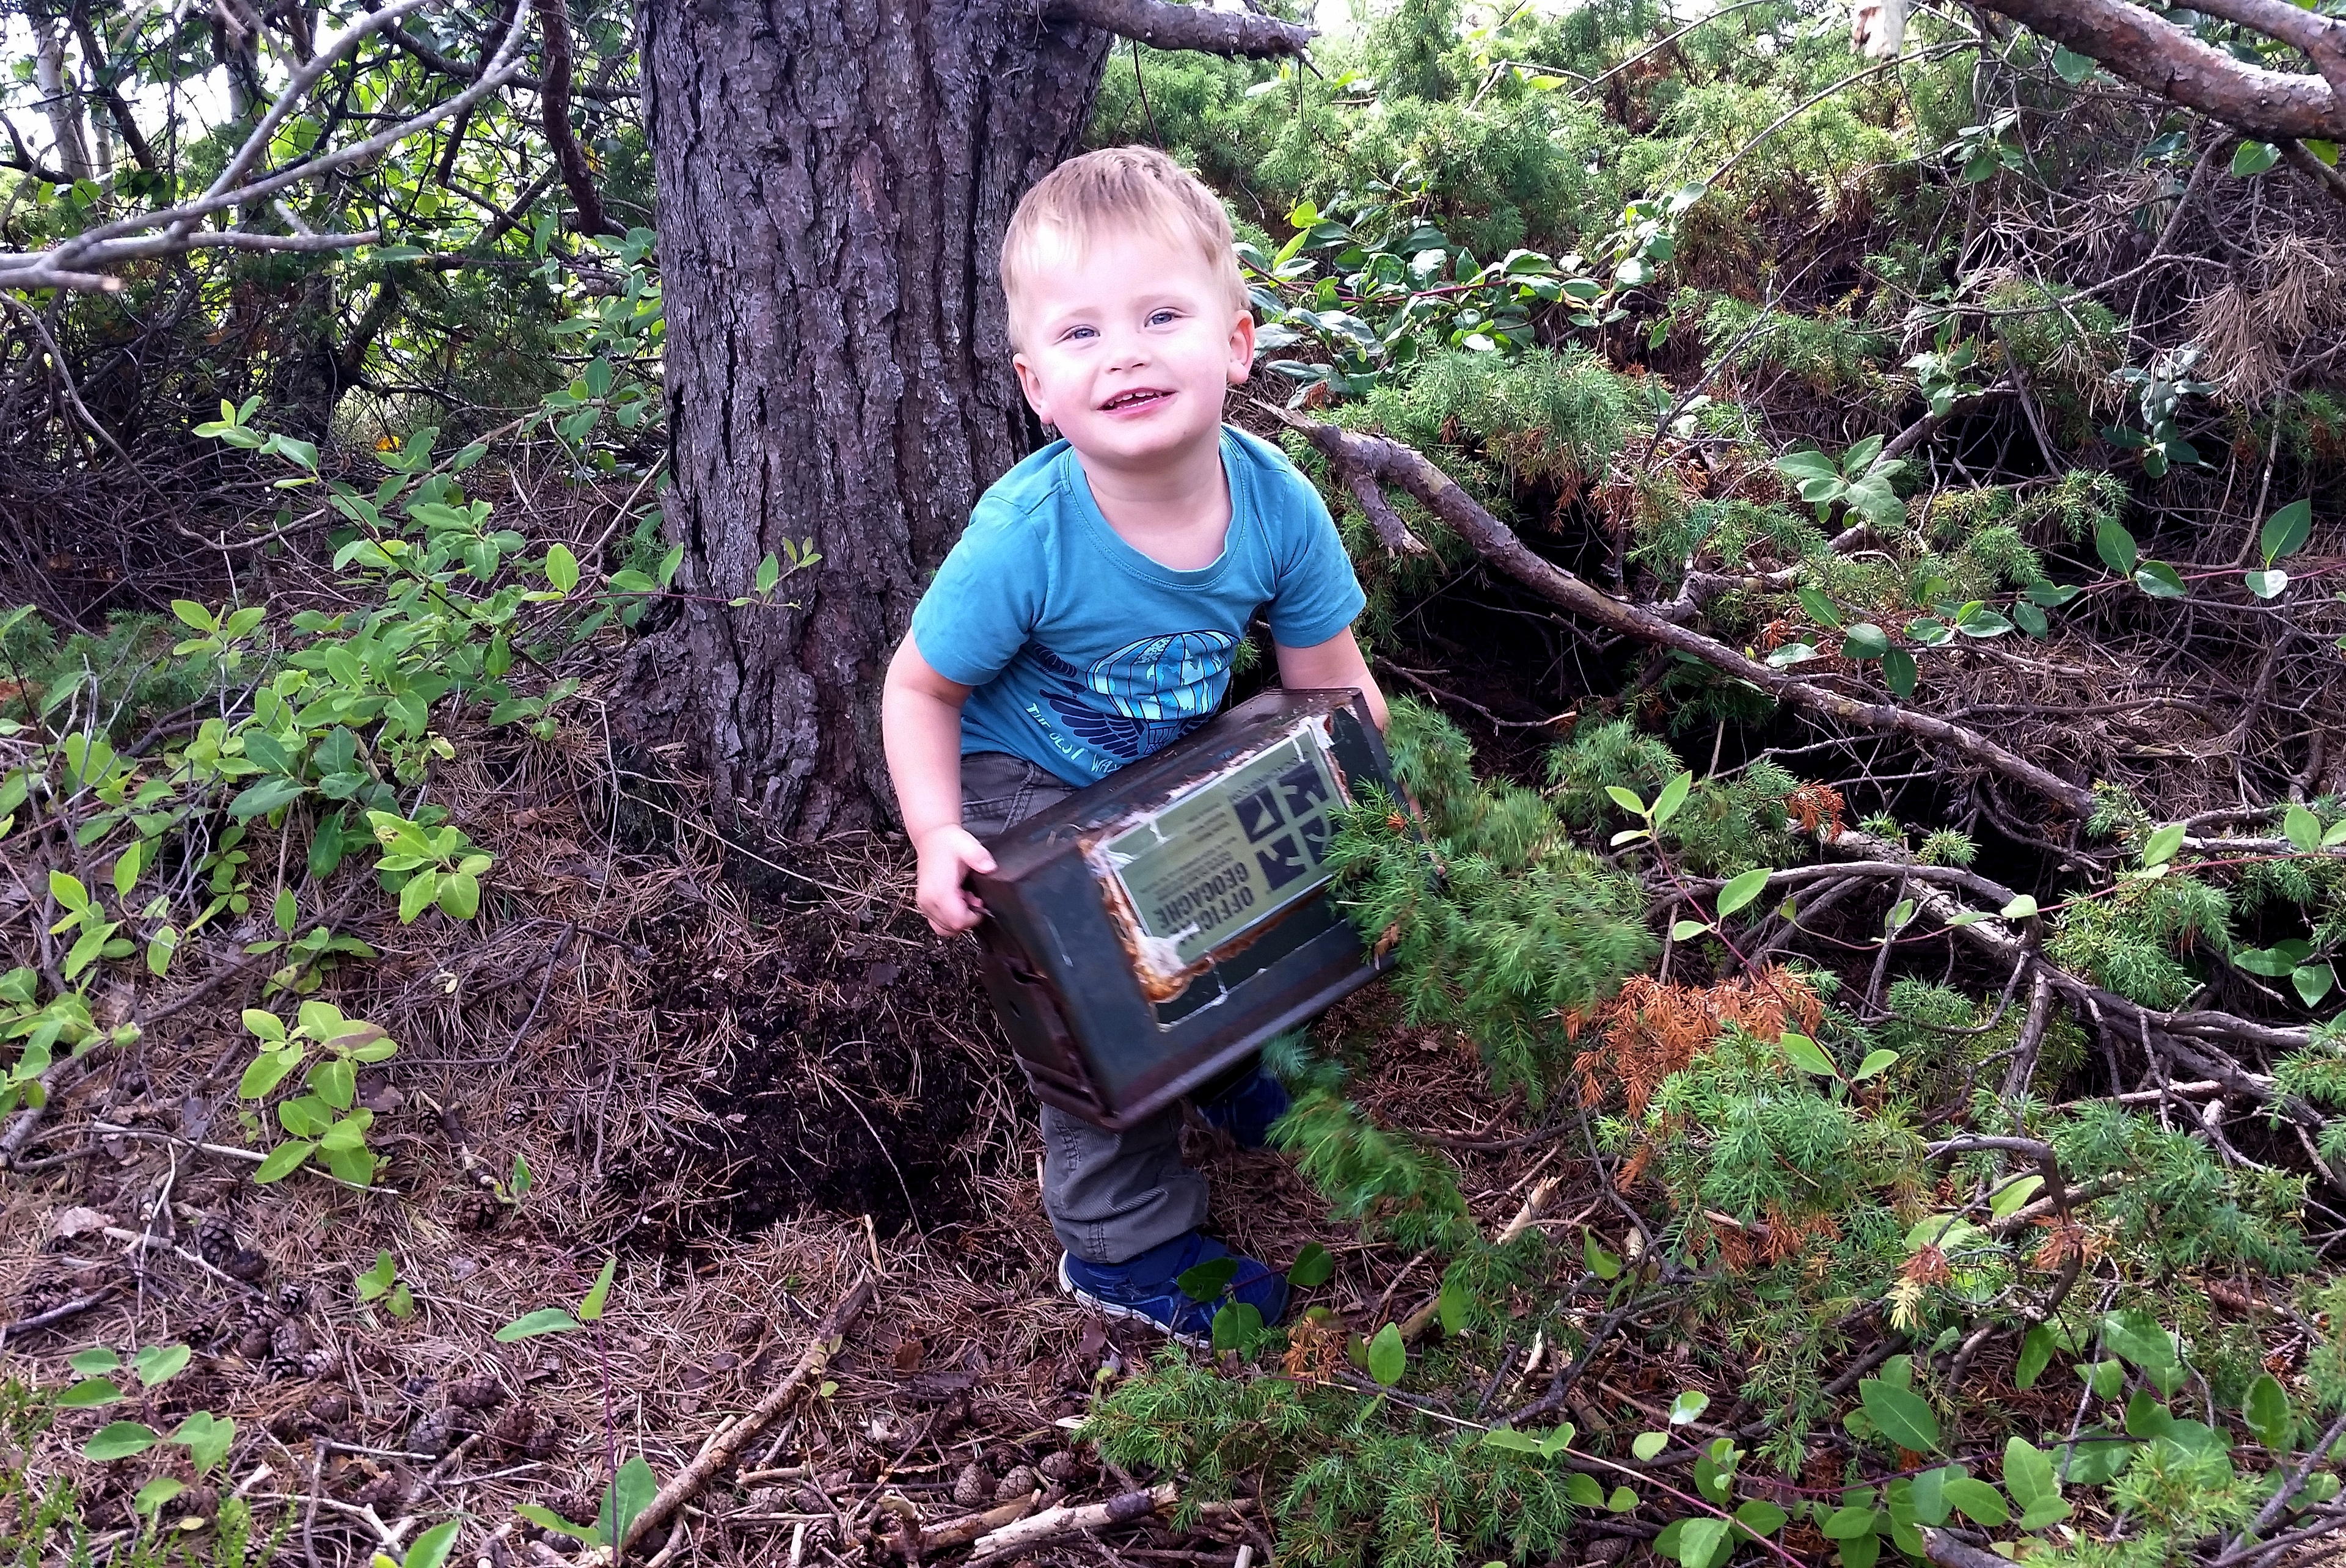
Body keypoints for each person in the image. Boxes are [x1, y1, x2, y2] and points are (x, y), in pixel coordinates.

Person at [880, 146, 1387, 1342]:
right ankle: (1121, 1245)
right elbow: (918, 688)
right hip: (1023, 777)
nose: (1125, 354)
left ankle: (1229, 1060)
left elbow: (1332, 689)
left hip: (1164, 767)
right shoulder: (1029, 534)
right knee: (1106, 998)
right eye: (1081, 334)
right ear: (1036, 387)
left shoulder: (1276, 503)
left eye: (1163, 314)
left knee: (1245, 888)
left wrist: (1375, 812)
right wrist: (937, 829)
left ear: (1236, 342)